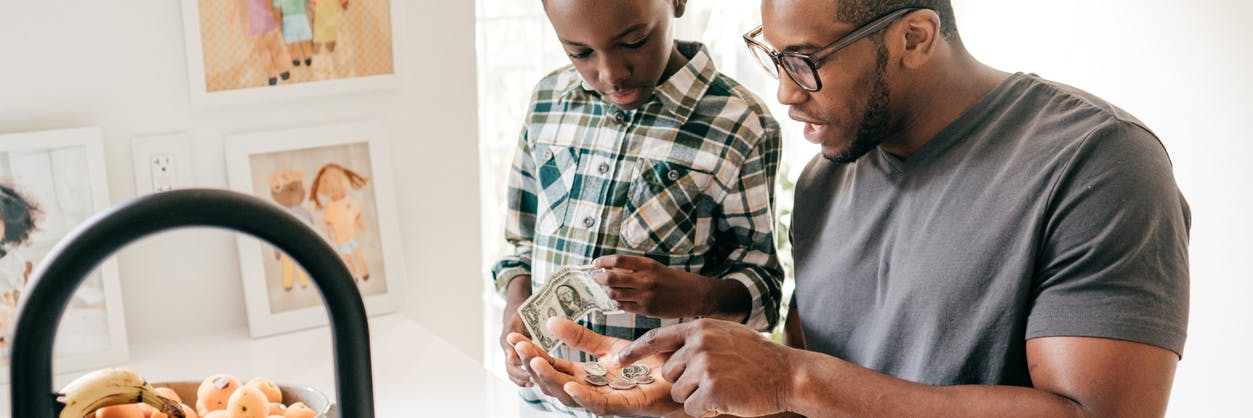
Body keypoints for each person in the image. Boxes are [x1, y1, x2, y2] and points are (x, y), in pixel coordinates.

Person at [512, 1, 1191, 417]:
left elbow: (1095, 416)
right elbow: (806, 403)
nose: (781, 92)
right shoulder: (822, 183)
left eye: (805, 61)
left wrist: (790, 375)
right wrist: (679, 399)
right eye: (771, 56)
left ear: (914, 38)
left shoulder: (1097, 163)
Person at [490, 0, 785, 415]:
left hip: (664, 406)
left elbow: (764, 291)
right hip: (541, 404)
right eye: (580, 53)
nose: (610, 73)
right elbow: (519, 244)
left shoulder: (741, 124)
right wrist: (514, 316)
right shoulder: (547, 103)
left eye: (634, 41)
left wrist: (694, 293)